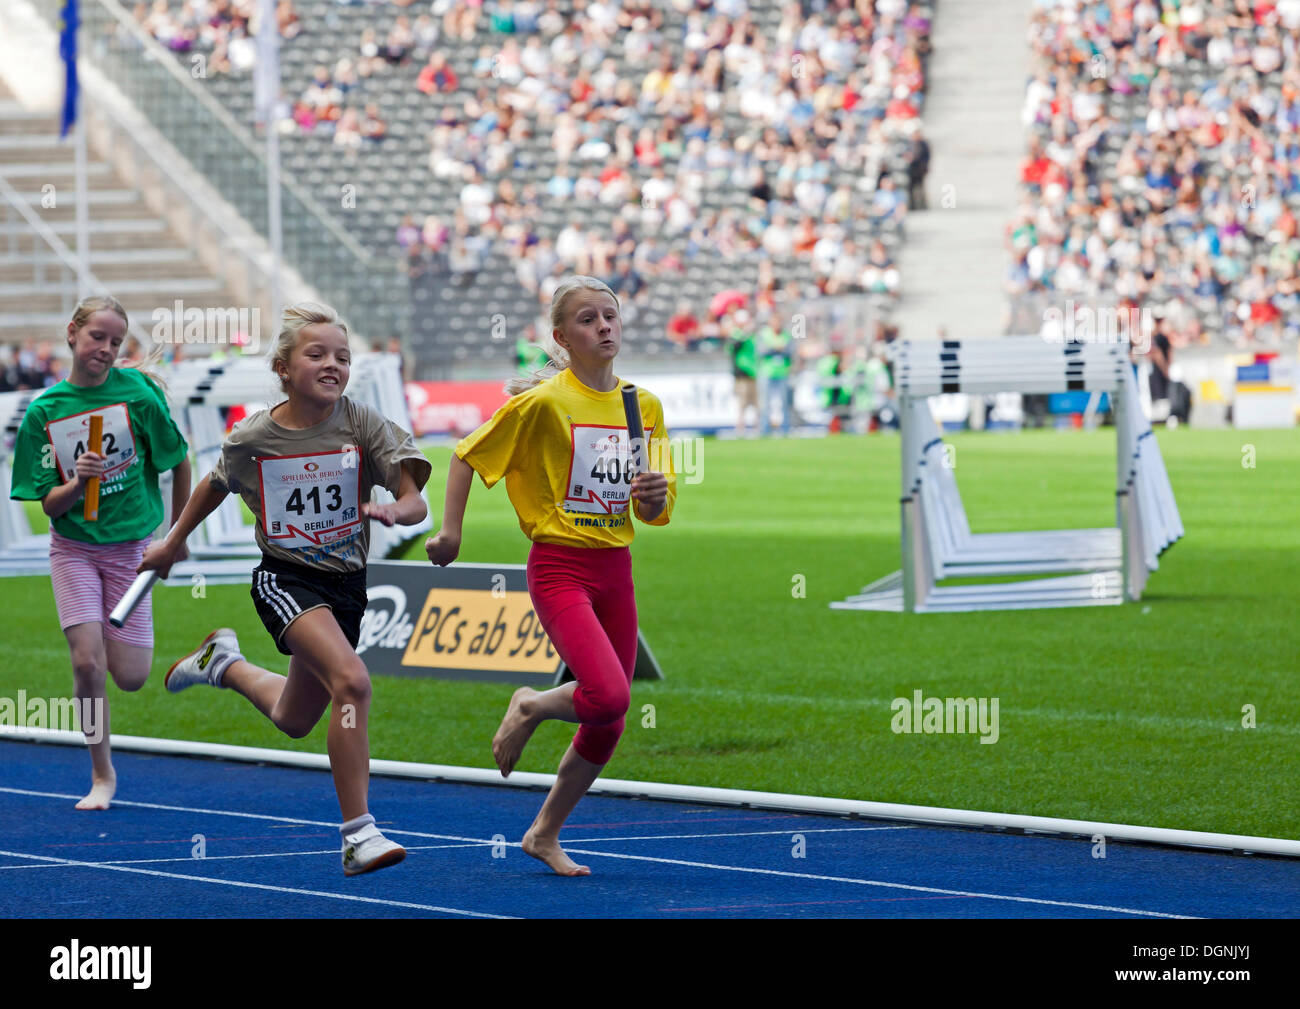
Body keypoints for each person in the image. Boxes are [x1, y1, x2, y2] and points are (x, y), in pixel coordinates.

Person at [139, 303, 432, 876]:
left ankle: (222, 663)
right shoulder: (255, 435)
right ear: (283, 367)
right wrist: (174, 541)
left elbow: (415, 496)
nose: (332, 365)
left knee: (294, 717)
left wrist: (398, 508)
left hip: (347, 586)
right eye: (316, 354)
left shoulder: (362, 424)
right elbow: (216, 483)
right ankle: (358, 834)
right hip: (286, 579)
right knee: (353, 682)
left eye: (342, 357)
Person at [425, 276, 675, 876]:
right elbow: (465, 454)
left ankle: (543, 833)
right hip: (560, 566)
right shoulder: (542, 404)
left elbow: (656, 512)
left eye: (611, 316)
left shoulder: (645, 406)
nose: (605, 327)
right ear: (562, 338)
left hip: (617, 566)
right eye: (588, 320)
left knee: (608, 723)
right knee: (610, 694)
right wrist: (450, 532)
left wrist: (655, 493)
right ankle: (533, 704)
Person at [9, 296, 191, 809]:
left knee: (131, 678)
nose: (106, 350)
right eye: (97, 338)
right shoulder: (45, 411)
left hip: (133, 550)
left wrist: (174, 538)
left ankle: (207, 659)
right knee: (87, 663)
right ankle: (101, 774)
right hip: (74, 551)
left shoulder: (136, 395)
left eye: (115, 342)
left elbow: (179, 462)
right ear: (72, 334)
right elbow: (47, 505)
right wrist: (76, 481)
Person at [728, 309, 759, 435]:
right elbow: (734, 348)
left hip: (754, 373)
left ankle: (758, 428)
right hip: (742, 375)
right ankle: (741, 429)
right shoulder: (736, 334)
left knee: (757, 403)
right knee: (742, 403)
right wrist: (745, 333)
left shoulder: (751, 335)